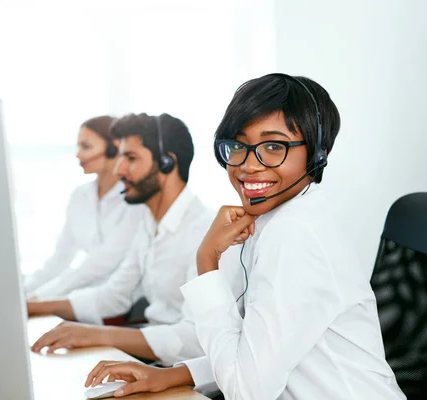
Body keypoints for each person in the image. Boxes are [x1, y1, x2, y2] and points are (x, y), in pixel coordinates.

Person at [84, 74, 406, 400]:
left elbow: (246, 390)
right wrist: (172, 375)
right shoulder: (274, 220)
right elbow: (253, 354)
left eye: (273, 146)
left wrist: (206, 261)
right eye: (239, 146)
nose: (249, 166)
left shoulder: (295, 235)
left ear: (317, 153)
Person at [28, 113, 214, 340]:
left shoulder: (205, 232)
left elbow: (196, 338)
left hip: (182, 366)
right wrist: (35, 307)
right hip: (155, 350)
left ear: (168, 163)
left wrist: (97, 336)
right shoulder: (149, 224)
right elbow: (115, 295)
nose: (119, 170)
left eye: (131, 158)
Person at [24, 116, 144, 300]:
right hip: (82, 297)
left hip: (117, 303)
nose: (78, 155)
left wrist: (40, 298)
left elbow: (98, 264)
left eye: (86, 147)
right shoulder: (80, 196)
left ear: (114, 148)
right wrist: (24, 291)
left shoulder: (134, 200)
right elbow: (60, 258)